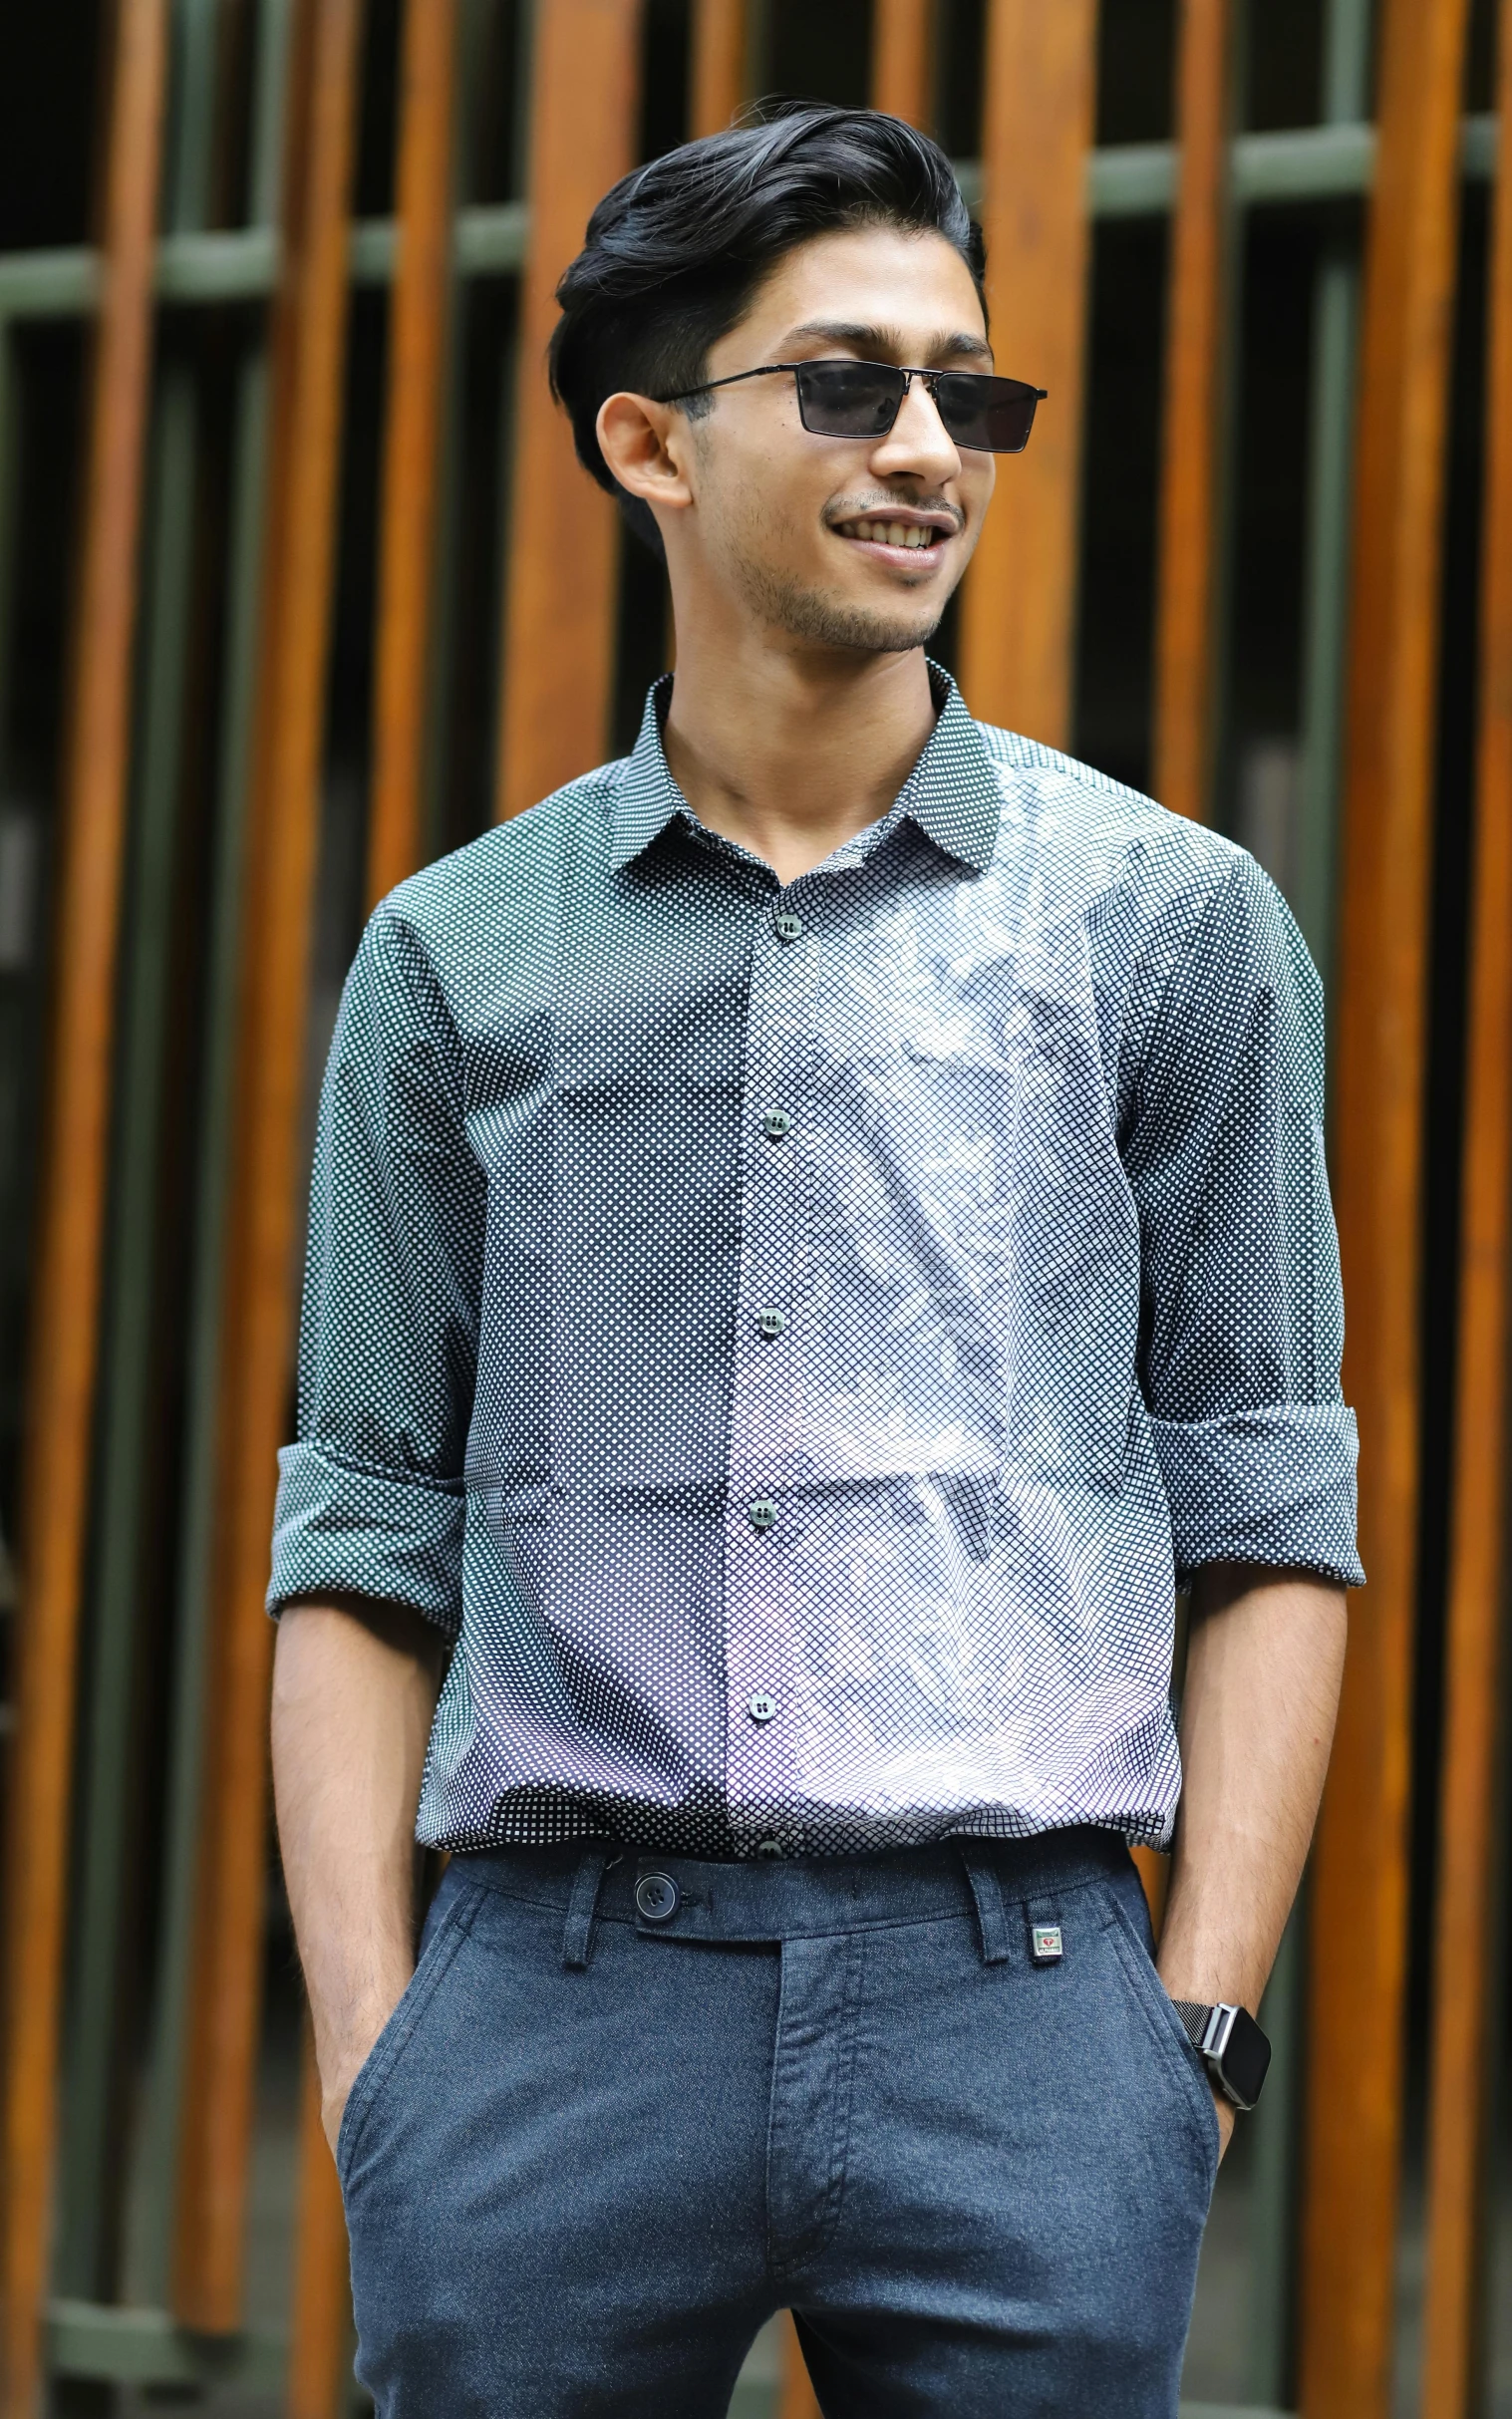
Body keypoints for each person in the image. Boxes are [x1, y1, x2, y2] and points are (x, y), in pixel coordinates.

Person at [268, 104, 1360, 2419]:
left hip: (1027, 1988)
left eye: (963, 387)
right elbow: (361, 1531)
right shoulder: (455, 958)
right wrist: (382, 2058)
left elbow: (1269, 1505)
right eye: (843, 382)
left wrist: (1196, 2030)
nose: (924, 448)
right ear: (646, 441)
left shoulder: (1168, 928)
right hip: (551, 2009)